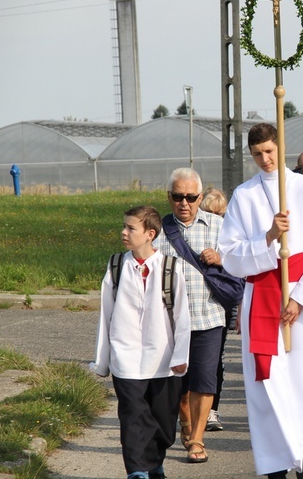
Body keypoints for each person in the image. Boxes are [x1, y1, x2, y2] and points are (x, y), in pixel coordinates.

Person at [218, 123, 303, 478]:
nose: (265, 159)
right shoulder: (244, 195)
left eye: (270, 151)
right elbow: (230, 255)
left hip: (301, 300)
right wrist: (268, 236)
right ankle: (275, 465)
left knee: (301, 382)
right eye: (257, 154)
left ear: (280, 148)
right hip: (262, 298)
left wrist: (300, 298)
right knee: (266, 386)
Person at [92, 206, 191, 479]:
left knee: (163, 423)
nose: (124, 232)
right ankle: (137, 472)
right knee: (133, 419)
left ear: (150, 234)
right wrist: (102, 362)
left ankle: (154, 464)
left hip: (163, 360)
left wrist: (181, 357)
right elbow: (106, 315)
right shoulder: (116, 267)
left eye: (130, 228)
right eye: (124, 227)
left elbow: (182, 318)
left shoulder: (170, 268)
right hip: (126, 361)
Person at [153, 168, 229, 464]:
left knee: (204, 380)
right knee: (178, 383)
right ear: (169, 197)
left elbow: (240, 261)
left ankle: (197, 437)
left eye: (191, 197)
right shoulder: (157, 230)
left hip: (209, 316)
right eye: (177, 196)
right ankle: (184, 423)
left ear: (200, 197)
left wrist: (222, 258)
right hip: (169, 322)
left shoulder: (219, 226)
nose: (184, 203)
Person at [198, 188, 234, 433]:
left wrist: (221, 259)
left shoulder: (227, 233)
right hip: (193, 303)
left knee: (214, 362)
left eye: (220, 213)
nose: (215, 217)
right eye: (209, 212)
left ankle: (211, 411)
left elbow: (239, 267)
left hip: (219, 305)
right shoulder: (194, 231)